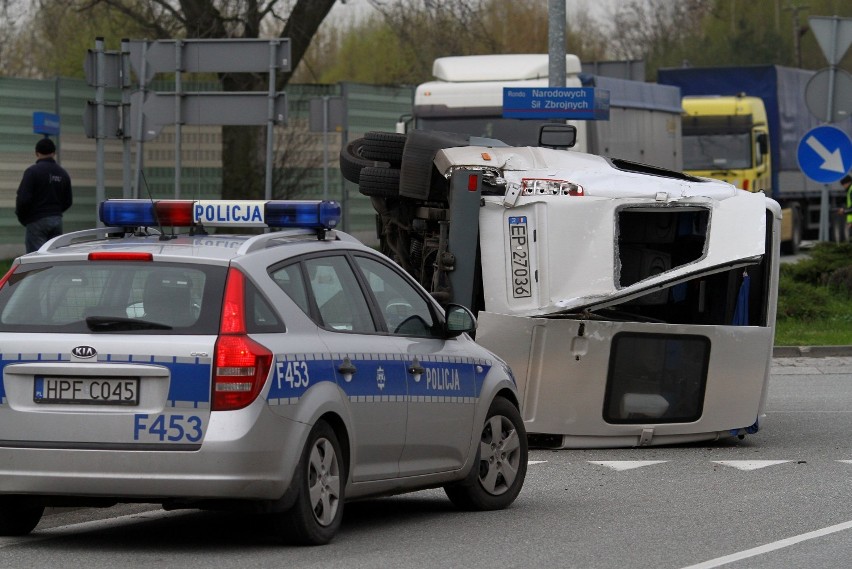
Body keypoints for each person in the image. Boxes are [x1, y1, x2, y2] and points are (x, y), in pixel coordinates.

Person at [15, 138, 73, 253]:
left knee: (36, 260)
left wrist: (23, 218)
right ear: (54, 153)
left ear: (36, 153)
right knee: (54, 256)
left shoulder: (32, 172)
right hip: (56, 220)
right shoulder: (63, 173)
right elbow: (68, 201)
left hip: (36, 221)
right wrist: (55, 212)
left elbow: (23, 199)